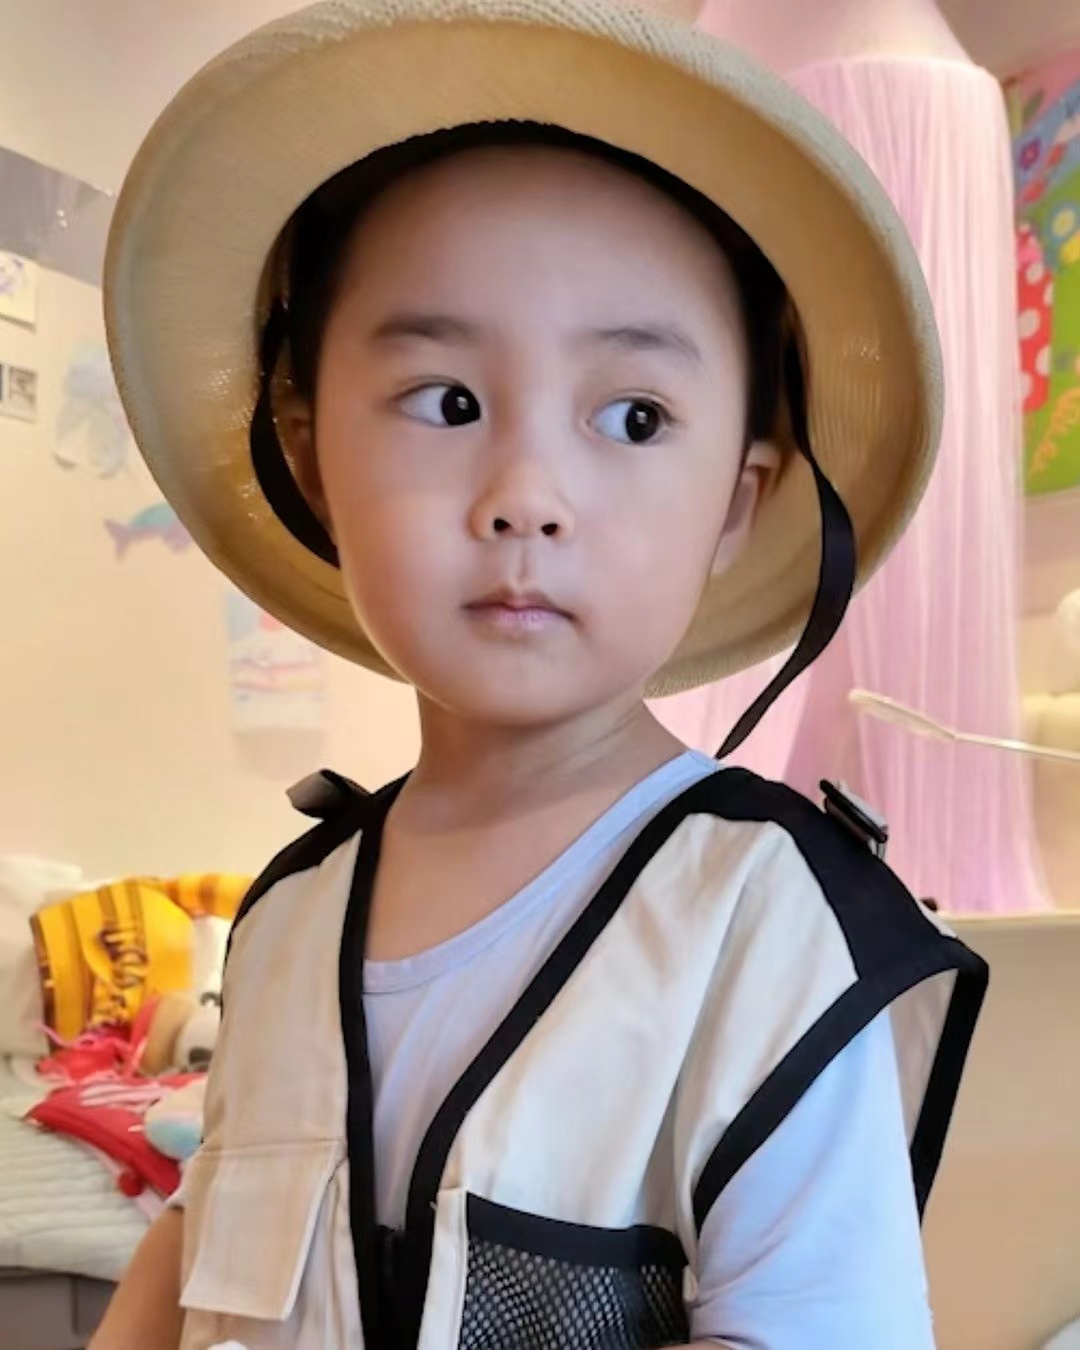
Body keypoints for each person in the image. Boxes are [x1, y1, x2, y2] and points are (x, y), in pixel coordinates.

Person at [91, 2, 988, 1347]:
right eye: (448, 401)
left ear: (738, 498)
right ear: (309, 449)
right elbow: (196, 1245)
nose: (527, 495)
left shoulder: (764, 924)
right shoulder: (286, 918)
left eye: (634, 416)